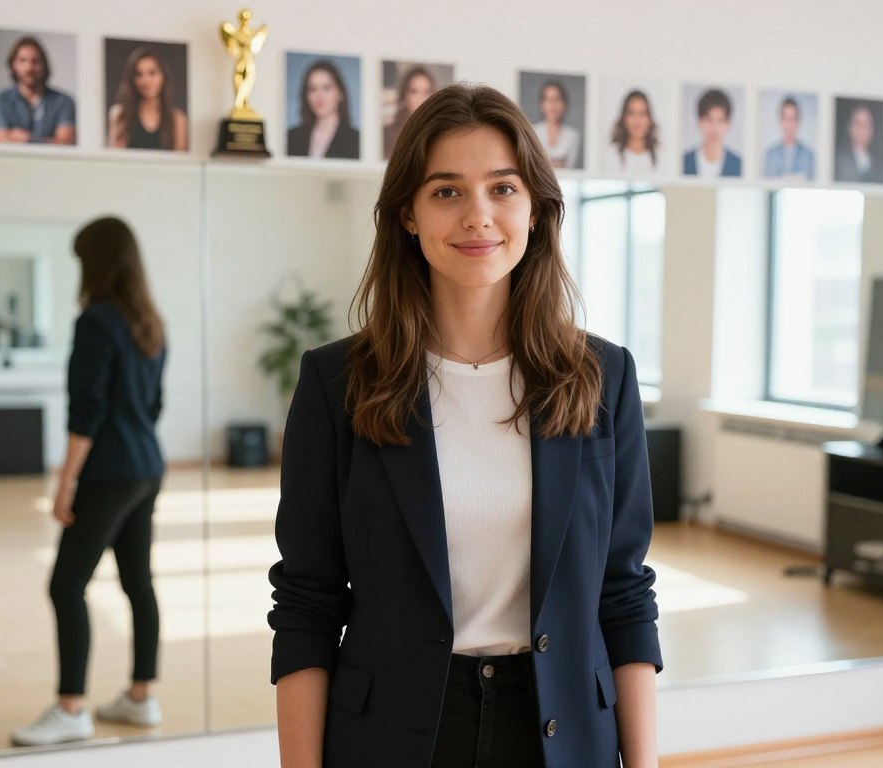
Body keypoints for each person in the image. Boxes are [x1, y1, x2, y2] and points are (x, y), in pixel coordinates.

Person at [268, 83, 662, 768]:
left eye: (503, 189)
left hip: (563, 731)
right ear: (408, 217)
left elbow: (624, 595)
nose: (479, 216)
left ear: (535, 209)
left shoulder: (603, 377)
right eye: (447, 191)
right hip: (395, 732)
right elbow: (306, 602)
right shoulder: (336, 383)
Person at [11, 217, 167, 747]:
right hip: (148, 467)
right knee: (137, 581)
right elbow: (153, 405)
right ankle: (142, 698)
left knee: (65, 584)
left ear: (96, 264)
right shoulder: (150, 322)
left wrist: (64, 483)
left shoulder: (97, 321)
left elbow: (88, 412)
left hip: (111, 471)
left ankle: (71, 708)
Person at [0, 35, 76, 145]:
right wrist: (49, 141)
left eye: (35, 61)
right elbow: (0, 140)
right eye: (22, 61)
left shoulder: (64, 101)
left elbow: (66, 143)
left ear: (44, 65)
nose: (29, 68)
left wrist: (28, 139)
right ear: (13, 65)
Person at [107, 47, 188, 151]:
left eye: (152, 73)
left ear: (163, 76)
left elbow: (179, 164)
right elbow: (116, 160)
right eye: (139, 74)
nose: (145, 80)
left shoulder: (178, 120)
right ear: (132, 79)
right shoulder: (120, 114)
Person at [287, 59, 360, 159]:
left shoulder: (356, 140)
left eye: (326, 88)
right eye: (313, 89)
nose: (319, 96)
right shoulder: (291, 137)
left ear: (340, 93)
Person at [682, 88, 742, 178]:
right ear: (700, 122)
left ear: (728, 124)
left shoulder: (738, 164)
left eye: (720, 121)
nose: (714, 128)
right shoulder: (685, 161)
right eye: (709, 120)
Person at [383, 65, 438, 159]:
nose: (421, 98)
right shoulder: (387, 133)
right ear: (404, 95)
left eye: (426, 92)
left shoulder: (440, 133)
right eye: (414, 91)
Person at [607, 89, 659, 174]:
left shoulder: (661, 155)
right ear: (624, 118)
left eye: (642, 113)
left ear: (649, 119)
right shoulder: (611, 154)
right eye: (632, 113)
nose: (637, 120)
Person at [531, 80, 581, 169]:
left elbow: (571, 168)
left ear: (564, 104)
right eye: (548, 99)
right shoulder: (532, 131)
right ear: (542, 105)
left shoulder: (573, 135)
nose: (552, 105)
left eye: (557, 99)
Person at [763, 97, 815, 180]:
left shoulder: (808, 155)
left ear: (798, 122)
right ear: (781, 121)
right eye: (786, 119)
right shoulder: (771, 154)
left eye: (793, 119)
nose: (789, 124)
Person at [834, 104, 883, 184]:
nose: (862, 129)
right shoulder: (839, 161)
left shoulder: (878, 164)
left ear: (872, 129)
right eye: (858, 124)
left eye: (866, 125)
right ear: (850, 128)